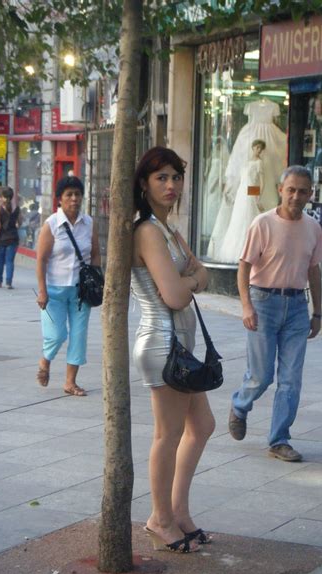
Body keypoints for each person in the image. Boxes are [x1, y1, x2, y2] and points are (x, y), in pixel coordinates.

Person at [131, 147, 215, 553]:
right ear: (144, 183)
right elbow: (176, 295)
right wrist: (191, 279)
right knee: (169, 434)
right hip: (162, 342)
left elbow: (203, 274)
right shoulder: (147, 230)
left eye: (176, 177)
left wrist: (192, 278)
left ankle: (178, 511)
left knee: (202, 426)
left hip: (182, 343)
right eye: (161, 177)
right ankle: (159, 518)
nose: (171, 185)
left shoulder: (170, 229)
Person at [228, 165, 322, 462]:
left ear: (311, 194)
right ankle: (239, 405)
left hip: (297, 306)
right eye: (291, 190)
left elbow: (314, 269)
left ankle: (279, 439)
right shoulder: (262, 224)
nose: (296, 196)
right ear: (281, 190)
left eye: (303, 191)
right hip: (264, 302)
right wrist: (246, 305)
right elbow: (244, 266)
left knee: (291, 379)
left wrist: (318, 312)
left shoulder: (312, 227)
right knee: (261, 376)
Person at [35, 175, 101, 396]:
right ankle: (45, 360)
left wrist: (98, 280)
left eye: (78, 194)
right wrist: (42, 290)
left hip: (81, 291)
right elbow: (41, 259)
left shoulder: (89, 223)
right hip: (54, 290)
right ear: (60, 200)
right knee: (56, 335)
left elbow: (95, 254)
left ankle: (70, 382)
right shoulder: (51, 224)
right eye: (69, 195)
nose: (74, 199)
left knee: (79, 336)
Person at [0, 187, 22, 289]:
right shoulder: (16, 208)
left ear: (3, 197)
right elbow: (20, 223)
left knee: (0, 261)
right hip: (12, 238)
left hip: (0, 238)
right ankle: (9, 282)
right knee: (10, 261)